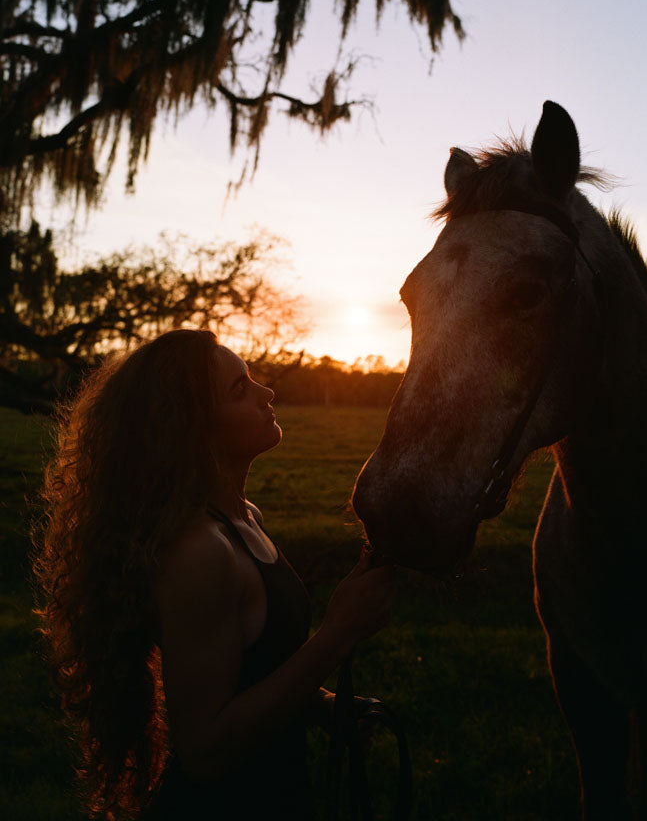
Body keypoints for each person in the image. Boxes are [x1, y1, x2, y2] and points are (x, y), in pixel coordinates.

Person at [34, 328, 396, 820]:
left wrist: (321, 704)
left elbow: (250, 669)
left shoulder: (244, 517)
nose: (267, 393)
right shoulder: (202, 551)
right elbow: (204, 751)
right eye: (240, 390)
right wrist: (337, 634)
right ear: (194, 429)